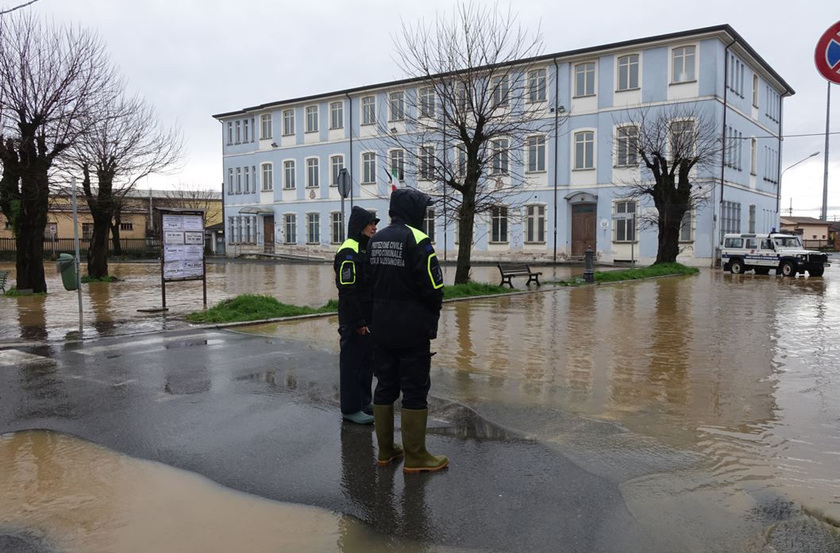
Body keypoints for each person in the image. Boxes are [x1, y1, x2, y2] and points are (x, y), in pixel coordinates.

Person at [366, 188, 447, 473]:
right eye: (423, 210)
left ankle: (386, 451)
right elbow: (433, 288)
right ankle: (415, 456)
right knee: (414, 388)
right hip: (412, 329)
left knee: (385, 385)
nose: (425, 215)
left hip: (381, 327)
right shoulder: (418, 239)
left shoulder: (375, 239)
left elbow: (367, 284)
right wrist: (431, 315)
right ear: (413, 211)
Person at [334, 206, 379, 424]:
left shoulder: (364, 247)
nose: (375, 227)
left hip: (367, 316)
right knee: (352, 364)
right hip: (354, 319)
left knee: (366, 362)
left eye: (375, 223)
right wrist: (358, 321)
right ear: (360, 226)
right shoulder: (349, 251)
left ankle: (363, 401)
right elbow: (348, 291)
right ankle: (350, 409)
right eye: (371, 223)